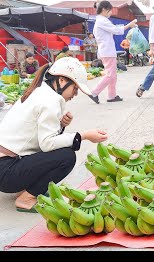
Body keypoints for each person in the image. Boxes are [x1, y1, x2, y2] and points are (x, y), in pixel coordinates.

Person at [0, 57, 108, 212]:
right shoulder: (50, 100)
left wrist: (61, 125)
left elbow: (39, 136)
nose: (75, 94)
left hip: (5, 166)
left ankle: (30, 187)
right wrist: (83, 135)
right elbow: (47, 144)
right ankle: (26, 199)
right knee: (66, 157)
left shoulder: (40, 91)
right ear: (62, 81)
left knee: (60, 151)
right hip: (6, 172)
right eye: (75, 88)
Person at [88, 0, 137, 104]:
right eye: (110, 11)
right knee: (111, 75)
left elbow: (115, 28)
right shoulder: (102, 21)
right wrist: (128, 25)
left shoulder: (101, 20)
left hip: (106, 51)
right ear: (105, 10)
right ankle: (94, 92)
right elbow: (116, 30)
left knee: (112, 74)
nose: (111, 13)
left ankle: (112, 95)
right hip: (107, 51)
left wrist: (127, 25)